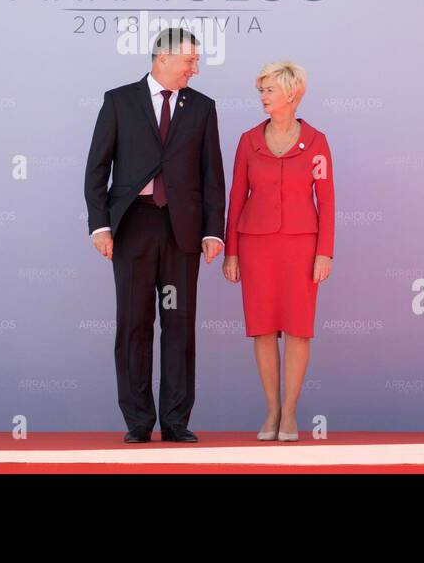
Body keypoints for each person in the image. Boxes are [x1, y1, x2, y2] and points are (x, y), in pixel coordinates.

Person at [84, 27, 226, 443]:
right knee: (134, 323)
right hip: (133, 228)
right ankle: (138, 422)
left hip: (182, 230)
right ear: (162, 58)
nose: (195, 69)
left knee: (179, 323)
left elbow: (212, 176)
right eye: (189, 61)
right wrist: (100, 225)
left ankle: (177, 421)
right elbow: (97, 169)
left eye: (196, 61)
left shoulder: (202, 108)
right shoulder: (118, 101)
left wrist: (213, 232)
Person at [222, 61, 334, 441]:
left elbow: (327, 200)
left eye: (268, 90)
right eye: (261, 91)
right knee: (263, 330)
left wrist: (325, 252)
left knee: (299, 330)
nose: (263, 97)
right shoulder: (247, 140)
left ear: (292, 93)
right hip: (255, 245)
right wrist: (231, 251)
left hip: (303, 245)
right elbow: (236, 197)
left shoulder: (317, 141)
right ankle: (271, 412)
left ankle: (290, 414)